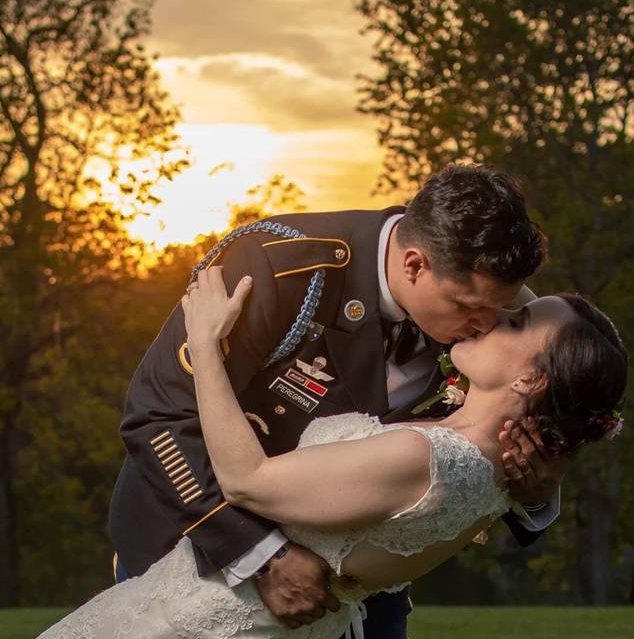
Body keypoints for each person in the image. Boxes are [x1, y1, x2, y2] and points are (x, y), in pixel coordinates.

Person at [37, 267, 627, 639]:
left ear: (532, 382)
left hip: (210, 619)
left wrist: (206, 348)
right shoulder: (491, 467)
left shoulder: (431, 456)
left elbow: (247, 479)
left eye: (516, 318)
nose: (494, 313)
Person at [107, 164, 565, 638]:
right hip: (202, 552)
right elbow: (157, 415)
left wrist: (535, 488)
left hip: (359, 587)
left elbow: (503, 421)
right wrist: (262, 557)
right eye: (469, 307)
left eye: (499, 310)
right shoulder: (276, 267)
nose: (488, 325)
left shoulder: (489, 306)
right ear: (414, 265)